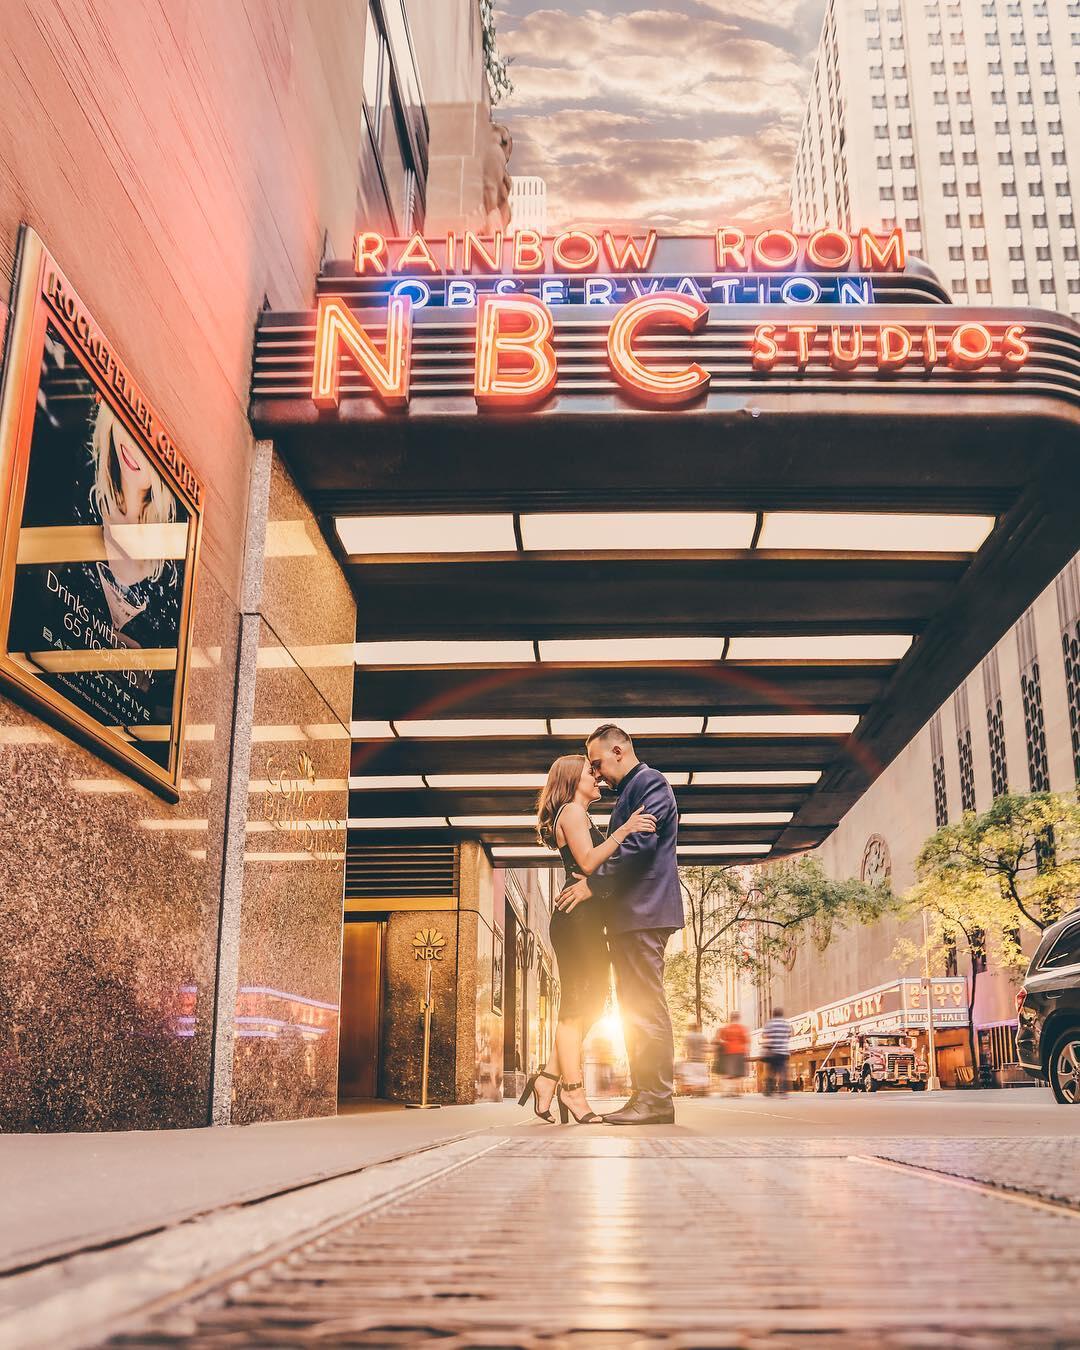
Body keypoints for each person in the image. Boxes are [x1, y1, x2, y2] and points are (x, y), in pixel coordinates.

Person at [556, 724, 683, 1126]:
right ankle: (645, 1096)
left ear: (617, 750)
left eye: (596, 763)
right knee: (635, 1008)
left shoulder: (650, 784)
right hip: (634, 916)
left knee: (645, 1007)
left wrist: (593, 885)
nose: (595, 773)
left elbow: (640, 846)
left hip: (644, 914)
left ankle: (656, 1100)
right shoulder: (631, 792)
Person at [520, 754, 656, 1125]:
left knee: (593, 1001)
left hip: (586, 918)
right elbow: (590, 862)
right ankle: (573, 1090)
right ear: (571, 779)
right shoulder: (571, 812)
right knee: (578, 1004)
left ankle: (547, 1080)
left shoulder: (578, 814)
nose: (596, 776)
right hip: (576, 919)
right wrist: (625, 830)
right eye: (589, 772)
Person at [717, 1010, 750, 1098]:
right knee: (738, 1074)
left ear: (730, 1018)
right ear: (738, 1018)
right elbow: (747, 1040)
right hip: (740, 1052)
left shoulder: (726, 1028)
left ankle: (727, 1091)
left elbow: (720, 1039)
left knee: (730, 1073)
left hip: (728, 1052)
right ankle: (736, 1092)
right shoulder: (742, 1028)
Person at [762, 1007, 792, 1098]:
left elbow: (765, 1036)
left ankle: (768, 1090)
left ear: (773, 1014)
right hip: (783, 1052)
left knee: (770, 1071)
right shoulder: (786, 1024)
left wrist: (766, 1047)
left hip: (772, 1051)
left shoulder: (769, 1024)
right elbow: (789, 1036)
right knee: (782, 1071)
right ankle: (783, 1091)